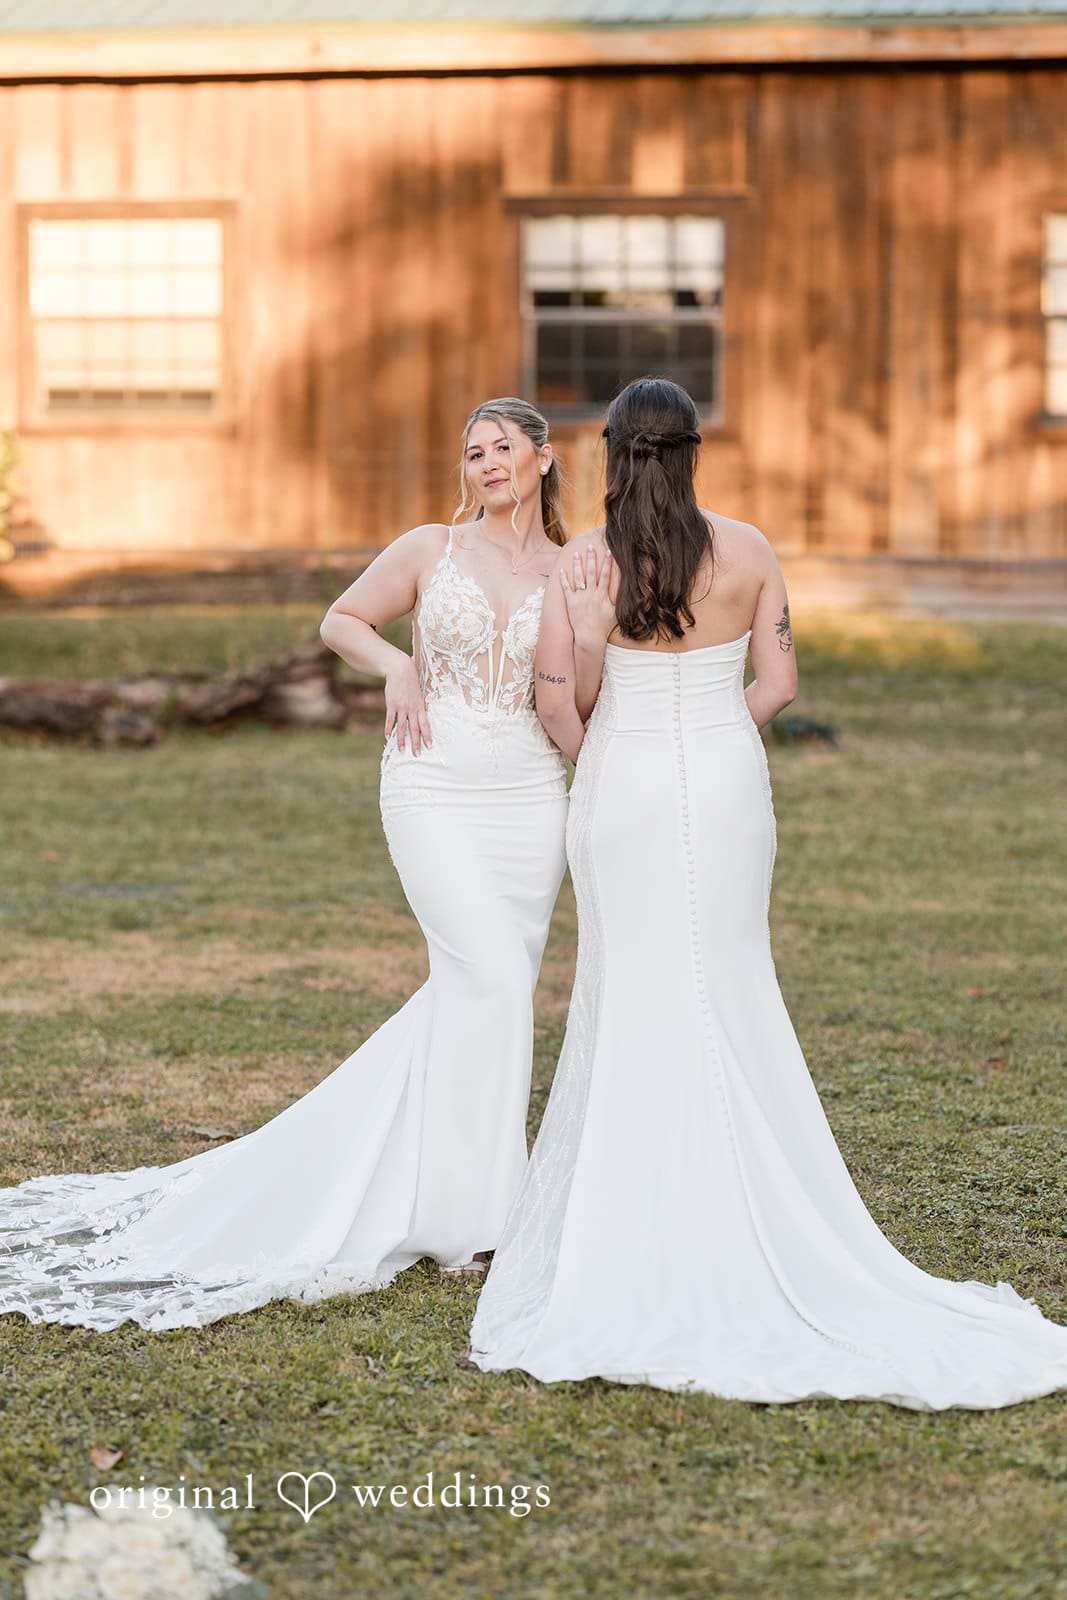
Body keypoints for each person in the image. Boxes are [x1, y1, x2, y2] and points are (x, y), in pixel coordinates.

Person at [467, 376, 1067, 1410]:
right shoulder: (748, 549)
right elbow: (778, 687)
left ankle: (642, 1213)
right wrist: (710, 736)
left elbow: (565, 709)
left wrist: (609, 725)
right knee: (727, 978)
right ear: (692, 451)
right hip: (728, 785)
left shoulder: (584, 562)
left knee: (633, 987)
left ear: (610, 453)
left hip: (622, 790)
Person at [0, 398, 570, 1331]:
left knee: (480, 995)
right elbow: (339, 622)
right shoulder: (431, 549)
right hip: (432, 786)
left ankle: (449, 1189)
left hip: (529, 800)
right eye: (472, 452)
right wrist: (395, 667)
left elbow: (582, 675)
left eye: (503, 448)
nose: (486, 464)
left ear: (545, 459)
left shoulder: (573, 564)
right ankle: (480, 1222)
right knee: (494, 979)